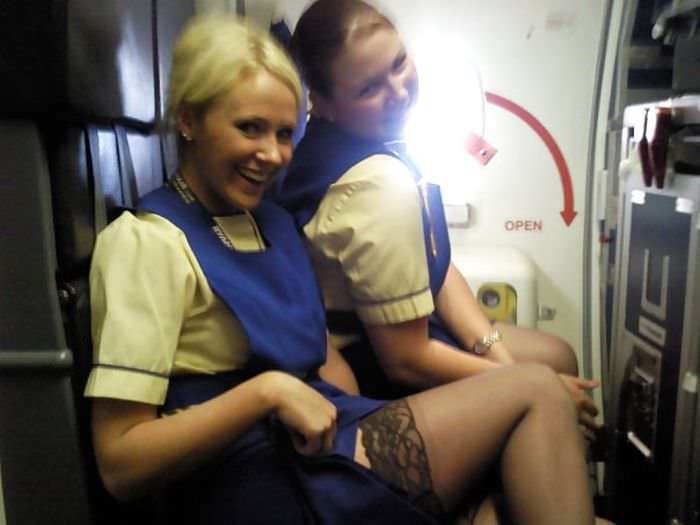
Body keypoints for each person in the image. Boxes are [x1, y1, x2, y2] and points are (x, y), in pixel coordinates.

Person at [85, 13, 596, 524]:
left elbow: (328, 365)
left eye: (285, 133)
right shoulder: (147, 243)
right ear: (188, 120)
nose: (272, 154)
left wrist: (395, 425)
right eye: (249, 128)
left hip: (316, 441)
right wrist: (267, 393)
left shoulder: (270, 223)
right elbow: (120, 464)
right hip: (251, 477)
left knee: (501, 503)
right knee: (537, 389)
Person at [278, 0, 600, 436]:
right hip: (375, 368)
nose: (398, 92)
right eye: (369, 89)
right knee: (548, 379)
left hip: (404, 335)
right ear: (323, 104)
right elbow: (406, 361)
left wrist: (499, 357)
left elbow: (438, 269)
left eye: (399, 63)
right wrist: (523, 382)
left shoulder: (372, 142)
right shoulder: (375, 184)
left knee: (555, 357)